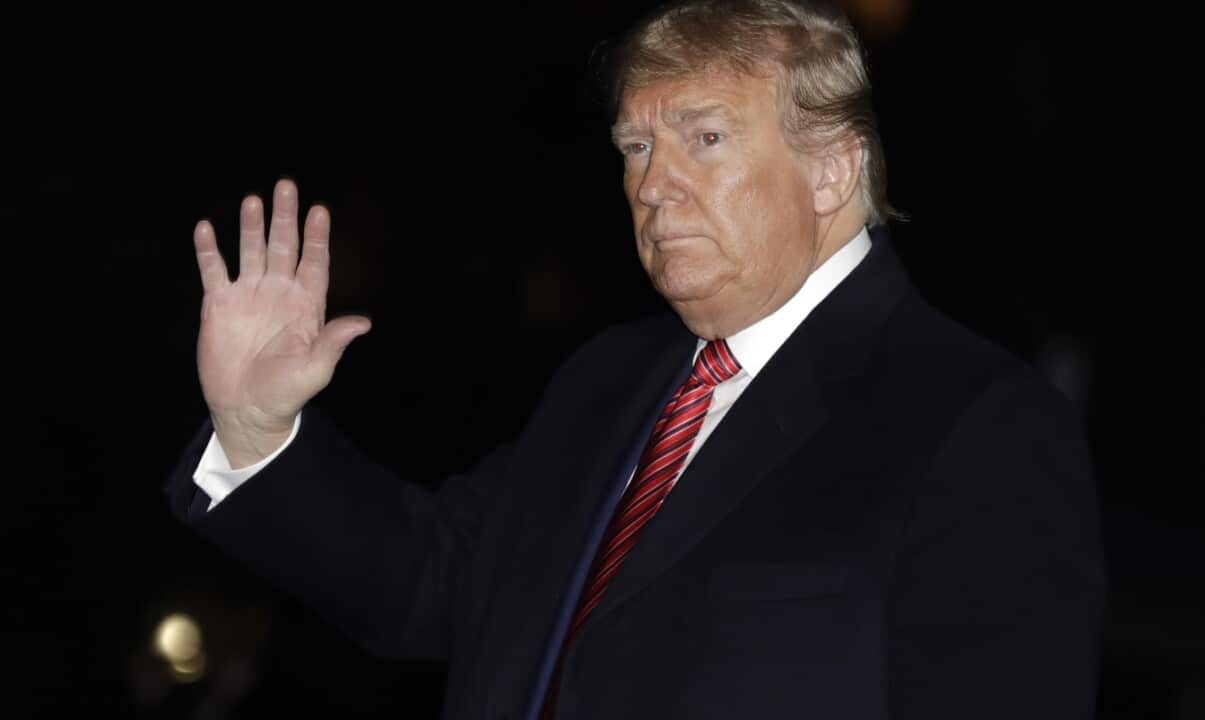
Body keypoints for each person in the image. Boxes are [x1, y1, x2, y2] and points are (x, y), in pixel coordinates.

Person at [169, 1, 1105, 717]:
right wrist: (257, 430)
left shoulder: (974, 422)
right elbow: (431, 583)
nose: (653, 185)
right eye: (634, 146)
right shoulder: (608, 383)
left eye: (704, 139)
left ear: (832, 170)